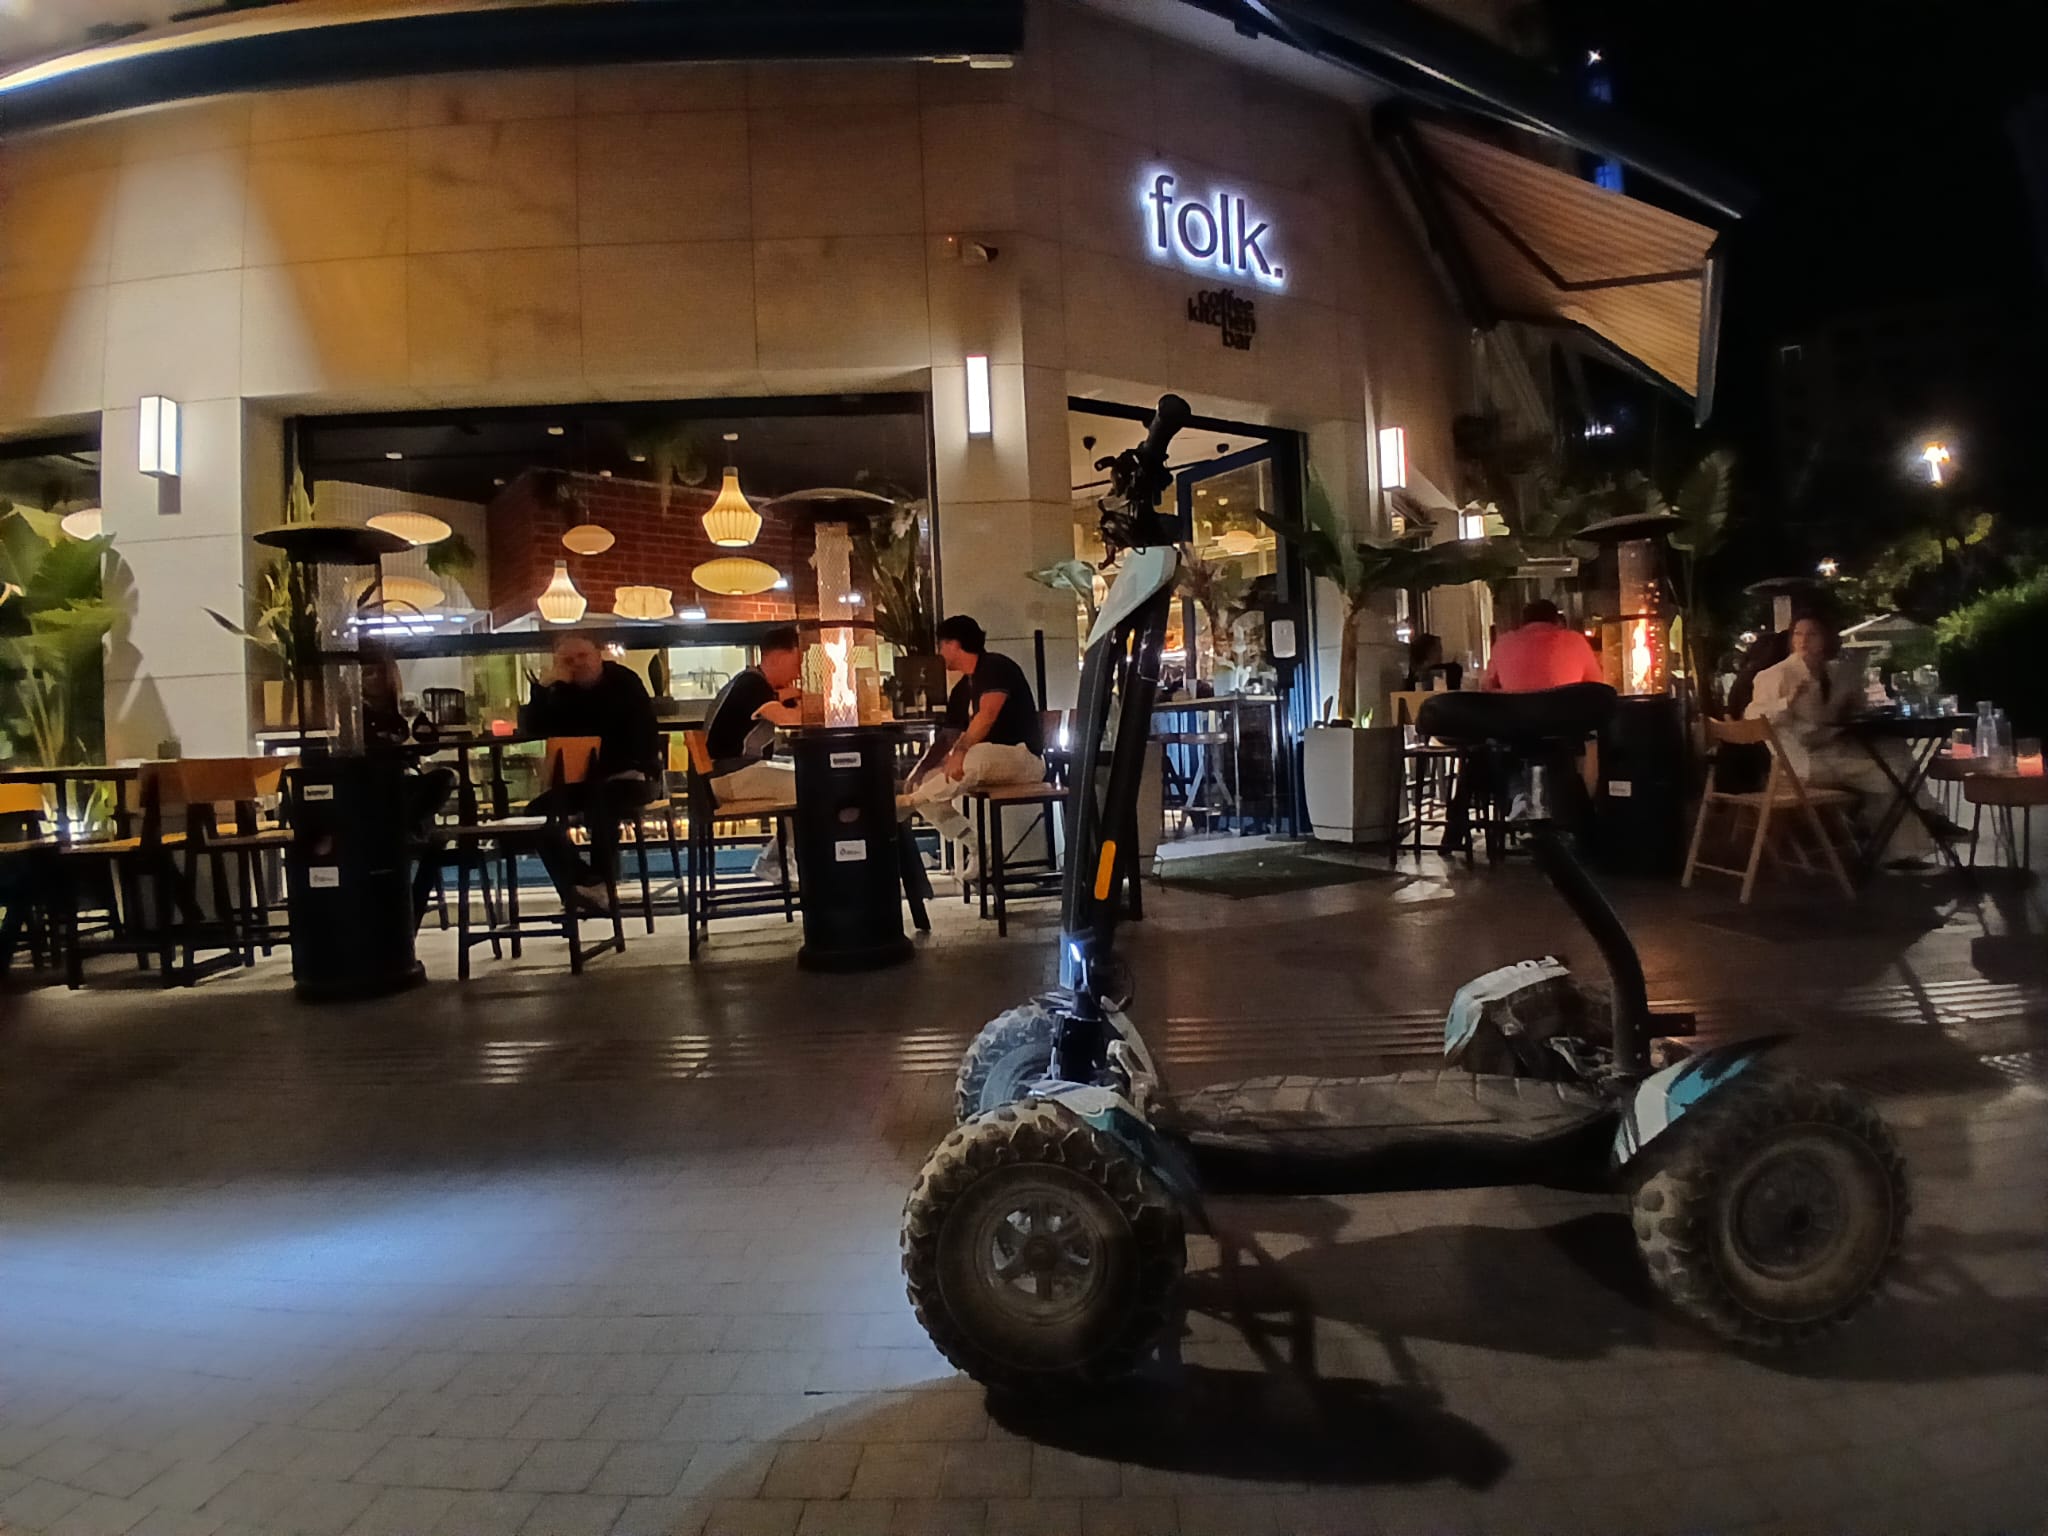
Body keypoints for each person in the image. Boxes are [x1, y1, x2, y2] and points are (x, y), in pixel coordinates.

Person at [1746, 615, 1945, 860]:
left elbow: (1849, 706)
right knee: (1891, 774)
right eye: (1798, 634)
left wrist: (1854, 702)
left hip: (1832, 746)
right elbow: (1753, 718)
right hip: (1801, 761)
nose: (1803, 640)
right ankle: (1910, 837)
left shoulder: (1834, 671)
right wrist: (1788, 701)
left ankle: (1909, 829)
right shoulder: (1776, 675)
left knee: (1895, 748)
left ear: (1827, 639)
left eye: (1812, 634)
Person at [523, 633, 661, 910]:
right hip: (583, 782)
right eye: (567, 660)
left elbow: (641, 739)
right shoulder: (560, 689)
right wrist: (543, 688)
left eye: (583, 656)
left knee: (603, 802)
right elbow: (533, 728)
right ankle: (584, 881)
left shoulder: (624, 682)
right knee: (534, 814)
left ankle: (599, 886)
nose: (577, 664)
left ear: (599, 654)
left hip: (632, 777)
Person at [905, 615, 1046, 885]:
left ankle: (909, 803)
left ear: (954, 644)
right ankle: (980, 849)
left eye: (941, 645)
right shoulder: (962, 689)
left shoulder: (995, 666)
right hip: (984, 761)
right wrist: (919, 770)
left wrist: (960, 752)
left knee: (975, 756)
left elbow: (987, 715)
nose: (939, 653)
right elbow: (947, 737)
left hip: (1023, 758)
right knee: (924, 782)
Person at [702, 626, 806, 882]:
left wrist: (787, 695)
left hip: (725, 773)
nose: (798, 672)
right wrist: (812, 704)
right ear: (778, 658)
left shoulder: (748, 681)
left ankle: (777, 858)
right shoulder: (752, 685)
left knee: (804, 777)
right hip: (728, 775)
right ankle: (778, 860)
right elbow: (790, 720)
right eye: (796, 662)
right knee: (807, 785)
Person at [1480, 600, 1604, 692]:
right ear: (1557, 620)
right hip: (1566, 721)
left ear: (1523, 622)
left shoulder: (1503, 643)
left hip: (1517, 722)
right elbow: (1596, 686)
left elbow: (1486, 687)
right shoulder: (1576, 641)